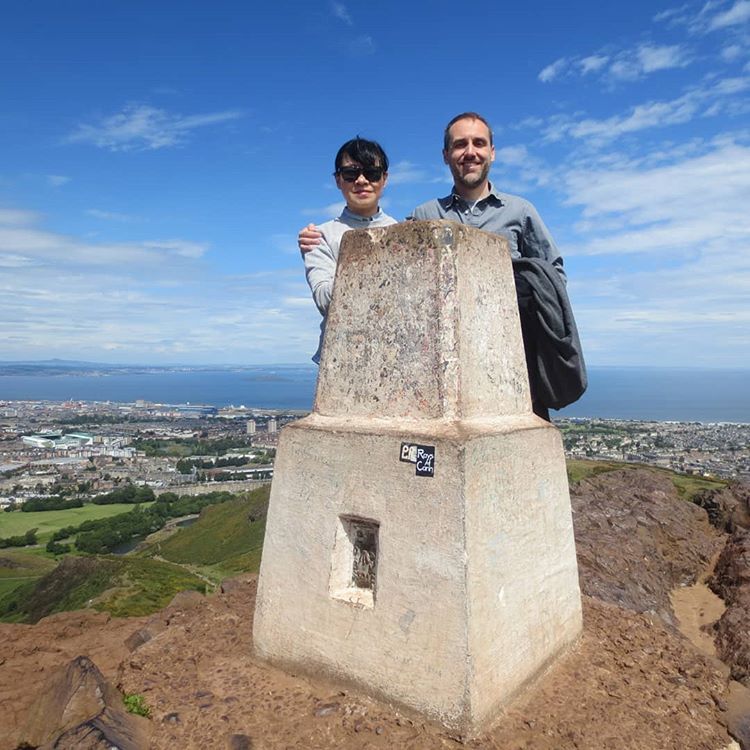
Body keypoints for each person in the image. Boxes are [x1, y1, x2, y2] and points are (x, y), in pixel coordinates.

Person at [299, 114, 585, 416]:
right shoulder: (423, 216)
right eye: (460, 144)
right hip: (434, 371)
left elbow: (553, 279)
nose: (470, 152)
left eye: (479, 143)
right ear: (446, 155)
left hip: (511, 363)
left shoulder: (521, 212)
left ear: (492, 151)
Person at [302, 137, 397, 363]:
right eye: (350, 174)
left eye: (372, 173)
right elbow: (325, 300)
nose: (362, 180)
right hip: (341, 359)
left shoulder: (402, 233)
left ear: (385, 179)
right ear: (338, 180)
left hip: (394, 355)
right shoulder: (320, 236)